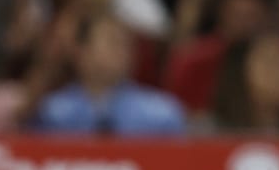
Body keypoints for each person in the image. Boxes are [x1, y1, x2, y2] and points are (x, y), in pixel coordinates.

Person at [32, 11, 188, 135]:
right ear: (81, 52)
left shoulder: (162, 115)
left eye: (126, 43)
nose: (122, 50)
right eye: (112, 41)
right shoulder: (51, 114)